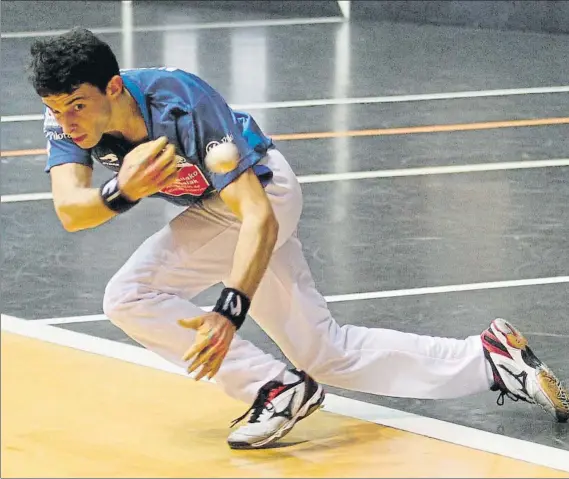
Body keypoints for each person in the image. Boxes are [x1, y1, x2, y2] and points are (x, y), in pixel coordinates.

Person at [28, 28, 568, 450]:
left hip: (262, 194)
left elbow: (257, 216)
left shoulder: (180, 102)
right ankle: (490, 359)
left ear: (114, 87)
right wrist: (122, 192)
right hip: (218, 212)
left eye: (77, 104)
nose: (68, 121)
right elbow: (73, 211)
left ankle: (273, 388)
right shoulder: (64, 121)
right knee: (323, 352)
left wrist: (229, 310)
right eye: (56, 108)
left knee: (129, 294)